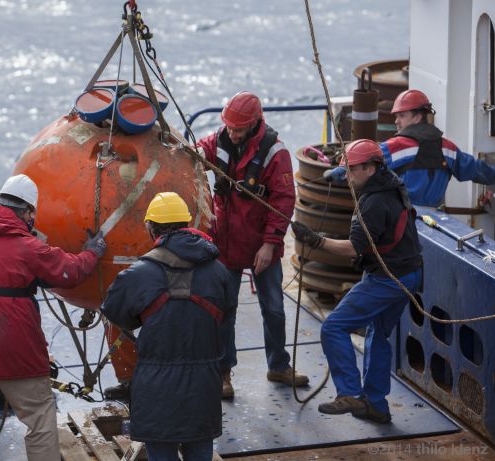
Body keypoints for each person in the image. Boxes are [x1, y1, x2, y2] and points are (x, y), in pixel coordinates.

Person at [0, 174, 106, 461]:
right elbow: (70, 272)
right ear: (28, 212)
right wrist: (93, 251)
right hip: (16, 348)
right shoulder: (29, 247)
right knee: (39, 420)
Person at [291, 139, 423, 424]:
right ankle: (376, 405)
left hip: (387, 278)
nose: (347, 176)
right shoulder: (392, 184)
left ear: (370, 167)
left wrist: (317, 240)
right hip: (409, 273)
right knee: (377, 333)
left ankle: (349, 393)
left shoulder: (372, 203)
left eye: (351, 170)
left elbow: (354, 247)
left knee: (334, 327)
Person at [102, 192, 237, 461]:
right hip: (204, 382)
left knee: (161, 451)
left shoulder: (138, 274)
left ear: (152, 228)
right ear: (188, 224)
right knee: (200, 450)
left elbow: (114, 311)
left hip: (157, 385)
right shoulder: (219, 271)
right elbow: (226, 315)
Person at [197, 91, 309, 398]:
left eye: (238, 128)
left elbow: (285, 200)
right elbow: (193, 154)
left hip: (262, 244)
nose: (232, 132)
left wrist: (270, 244)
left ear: (255, 123)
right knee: (224, 309)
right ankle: (223, 373)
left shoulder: (275, 153)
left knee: (273, 307)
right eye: (229, 127)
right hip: (227, 244)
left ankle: (278, 365)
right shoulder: (217, 142)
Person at [326, 89, 495, 207]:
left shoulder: (395, 148)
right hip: (434, 222)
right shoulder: (448, 149)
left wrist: (336, 173)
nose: (396, 121)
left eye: (401, 115)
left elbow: (360, 162)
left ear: (417, 117)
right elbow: (478, 170)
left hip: (400, 221)